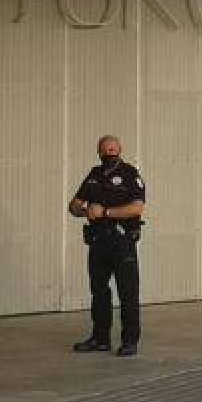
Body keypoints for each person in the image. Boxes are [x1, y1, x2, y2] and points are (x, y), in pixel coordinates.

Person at [68, 135, 146, 357]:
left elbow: (137, 208)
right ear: (99, 152)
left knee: (128, 292)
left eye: (113, 149)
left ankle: (130, 341)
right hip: (98, 241)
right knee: (99, 291)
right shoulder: (94, 175)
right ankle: (100, 339)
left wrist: (105, 212)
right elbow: (73, 205)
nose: (109, 153)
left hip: (122, 241)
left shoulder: (130, 174)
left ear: (120, 150)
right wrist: (84, 211)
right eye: (105, 150)